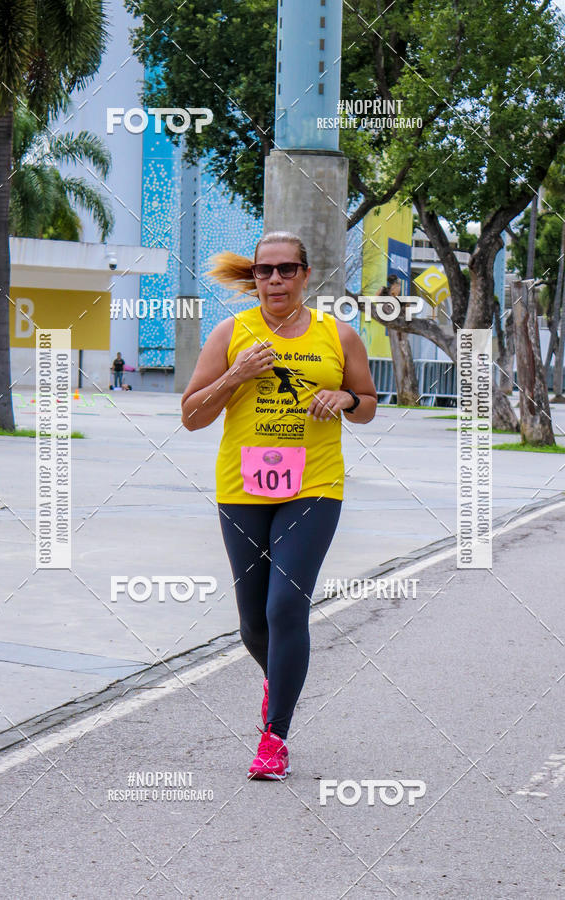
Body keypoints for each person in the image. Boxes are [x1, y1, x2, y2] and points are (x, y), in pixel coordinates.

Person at [181, 231, 377, 780]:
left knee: (284, 609)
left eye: (286, 270)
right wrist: (236, 374)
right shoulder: (230, 333)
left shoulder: (337, 336)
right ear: (254, 278)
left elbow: (367, 407)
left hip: (313, 487)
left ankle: (274, 737)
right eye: (265, 271)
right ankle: (281, 675)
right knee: (252, 624)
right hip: (242, 491)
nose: (275, 280)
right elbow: (192, 416)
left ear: (305, 276)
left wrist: (345, 398)